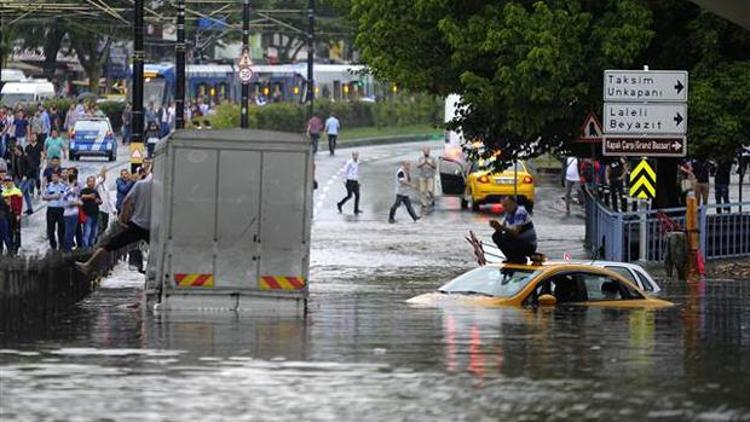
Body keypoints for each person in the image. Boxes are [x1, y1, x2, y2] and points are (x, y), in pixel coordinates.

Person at [76, 174, 153, 274]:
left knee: (110, 245)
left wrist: (122, 221)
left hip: (137, 225)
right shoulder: (163, 186)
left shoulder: (140, 185)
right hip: (154, 227)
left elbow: (126, 202)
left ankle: (89, 265)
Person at [489, 197, 537, 264]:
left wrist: (501, 227)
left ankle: (520, 259)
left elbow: (515, 232)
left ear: (514, 204)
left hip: (528, 244)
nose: (505, 208)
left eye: (507, 205)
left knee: (508, 237)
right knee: (496, 236)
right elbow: (501, 229)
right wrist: (496, 226)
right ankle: (511, 258)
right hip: (519, 241)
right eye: (503, 206)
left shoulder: (520, 212)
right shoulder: (508, 213)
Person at [61, 174, 82, 251]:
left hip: (71, 213)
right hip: (70, 214)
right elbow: (70, 202)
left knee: (70, 232)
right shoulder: (70, 190)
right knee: (69, 232)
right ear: (74, 180)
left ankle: (67, 248)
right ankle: (67, 250)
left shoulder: (69, 189)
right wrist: (79, 203)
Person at [2, 176, 23, 254]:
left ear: (12, 182)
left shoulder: (17, 191)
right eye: (6, 181)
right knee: (9, 231)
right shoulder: (3, 192)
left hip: (16, 214)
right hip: (7, 215)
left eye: (9, 181)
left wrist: (19, 214)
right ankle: (11, 247)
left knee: (17, 231)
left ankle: (17, 247)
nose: (7, 183)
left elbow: (20, 204)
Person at [80, 176, 102, 248]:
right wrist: (89, 196)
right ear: (87, 182)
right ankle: (85, 248)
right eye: (90, 181)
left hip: (96, 214)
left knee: (94, 232)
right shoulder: (84, 190)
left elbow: (100, 201)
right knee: (87, 232)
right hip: (87, 214)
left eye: (93, 181)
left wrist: (98, 201)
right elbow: (82, 196)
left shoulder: (95, 191)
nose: (91, 183)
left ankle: (91, 246)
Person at [95, 167, 114, 241]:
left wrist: (113, 209)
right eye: (102, 176)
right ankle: (97, 243)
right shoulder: (97, 185)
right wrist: (102, 173)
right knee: (100, 227)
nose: (104, 178)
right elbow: (96, 183)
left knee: (105, 227)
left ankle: (102, 242)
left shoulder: (106, 186)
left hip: (106, 210)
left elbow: (109, 199)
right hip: (99, 209)